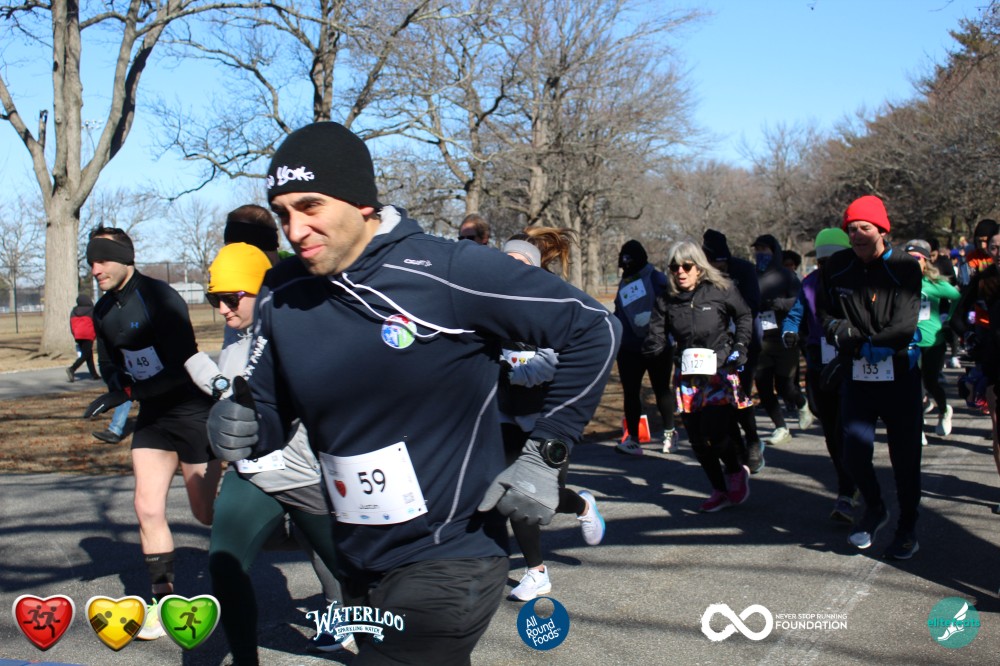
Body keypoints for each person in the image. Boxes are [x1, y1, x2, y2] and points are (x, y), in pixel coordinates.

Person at [205, 121, 619, 664]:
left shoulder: (448, 270)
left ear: (361, 203)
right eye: (282, 214)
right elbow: (268, 411)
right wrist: (240, 425)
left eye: (310, 207)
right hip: (357, 557)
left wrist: (547, 452)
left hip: (452, 555)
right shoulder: (283, 292)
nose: (295, 230)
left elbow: (595, 327)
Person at [185, 242, 349, 663]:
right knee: (224, 565)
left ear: (261, 291)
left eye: (230, 297)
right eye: (214, 300)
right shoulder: (235, 339)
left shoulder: (300, 329)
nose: (222, 309)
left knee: (357, 578)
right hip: (253, 475)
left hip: (307, 477)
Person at [83, 226, 223, 639]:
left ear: (124, 258)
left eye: (102, 260)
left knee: (205, 514)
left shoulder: (161, 298)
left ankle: (269, 530)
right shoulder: (103, 309)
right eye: (90, 262)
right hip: (154, 418)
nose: (95, 269)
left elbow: (183, 368)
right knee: (146, 507)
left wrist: (128, 393)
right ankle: (163, 604)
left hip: (192, 413)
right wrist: (117, 385)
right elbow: (109, 361)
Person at [498, 229, 605, 602]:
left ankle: (582, 504)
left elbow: (553, 361)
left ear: (533, 266)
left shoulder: (551, 300)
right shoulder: (490, 300)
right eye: (505, 260)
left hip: (546, 416)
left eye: (518, 261)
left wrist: (509, 372)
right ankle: (536, 572)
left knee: (544, 494)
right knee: (513, 491)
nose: (509, 267)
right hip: (505, 415)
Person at [815, 195, 922, 560]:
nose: (857, 235)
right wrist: (840, 331)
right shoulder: (838, 265)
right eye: (852, 229)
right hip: (858, 375)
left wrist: (875, 344)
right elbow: (825, 313)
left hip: (898, 375)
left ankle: (907, 528)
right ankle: (875, 507)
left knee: (905, 460)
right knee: (853, 453)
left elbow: (905, 324)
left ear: (882, 230)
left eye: (865, 228)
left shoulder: (904, 266)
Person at [642, 240, 753, 512]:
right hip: (687, 375)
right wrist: (652, 346)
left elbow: (744, 316)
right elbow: (656, 334)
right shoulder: (665, 299)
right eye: (674, 267)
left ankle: (735, 470)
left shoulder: (720, 289)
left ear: (699, 268)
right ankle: (719, 490)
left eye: (686, 266)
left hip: (718, 370)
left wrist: (739, 347)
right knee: (697, 439)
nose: (680, 272)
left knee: (715, 431)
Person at [782, 228, 857, 522]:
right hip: (819, 358)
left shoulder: (857, 281)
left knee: (844, 426)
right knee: (828, 424)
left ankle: (848, 489)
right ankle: (846, 477)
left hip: (850, 358)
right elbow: (795, 314)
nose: (828, 267)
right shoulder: (810, 283)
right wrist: (789, 331)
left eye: (834, 260)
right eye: (823, 261)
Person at [703, 229, 764, 473]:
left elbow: (753, 305)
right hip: (715, 347)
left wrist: (730, 314)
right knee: (722, 401)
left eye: (723, 264)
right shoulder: (703, 275)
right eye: (715, 264)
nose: (720, 268)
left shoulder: (745, 270)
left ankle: (752, 440)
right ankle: (736, 449)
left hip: (744, 343)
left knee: (740, 395)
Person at [612, 239, 674, 456]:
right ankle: (633, 439)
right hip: (629, 348)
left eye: (630, 262)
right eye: (624, 263)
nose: (626, 268)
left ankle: (669, 433)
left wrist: (653, 317)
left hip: (657, 345)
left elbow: (673, 307)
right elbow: (619, 311)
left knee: (661, 389)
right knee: (631, 393)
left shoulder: (657, 278)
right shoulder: (624, 282)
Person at [751, 234, 811, 446]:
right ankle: (781, 427)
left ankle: (802, 404)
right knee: (763, 385)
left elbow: (800, 301)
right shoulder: (752, 275)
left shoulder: (786, 276)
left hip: (785, 337)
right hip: (761, 338)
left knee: (785, 385)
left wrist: (780, 304)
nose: (760, 254)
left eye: (764, 250)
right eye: (757, 250)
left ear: (774, 251)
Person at [903, 239, 961, 445]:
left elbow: (958, 297)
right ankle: (917, 428)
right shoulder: (899, 282)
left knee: (931, 383)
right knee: (913, 387)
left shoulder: (933, 284)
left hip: (933, 342)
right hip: (909, 343)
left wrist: (950, 319)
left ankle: (944, 410)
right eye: (908, 258)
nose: (913, 262)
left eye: (917, 258)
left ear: (925, 261)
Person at [66, 294, 99, 382]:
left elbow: (71, 324)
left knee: (88, 354)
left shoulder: (73, 311)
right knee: (86, 354)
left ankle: (94, 374)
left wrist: (74, 334)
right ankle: (72, 368)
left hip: (78, 335)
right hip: (88, 334)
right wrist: (96, 334)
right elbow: (96, 322)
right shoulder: (92, 310)